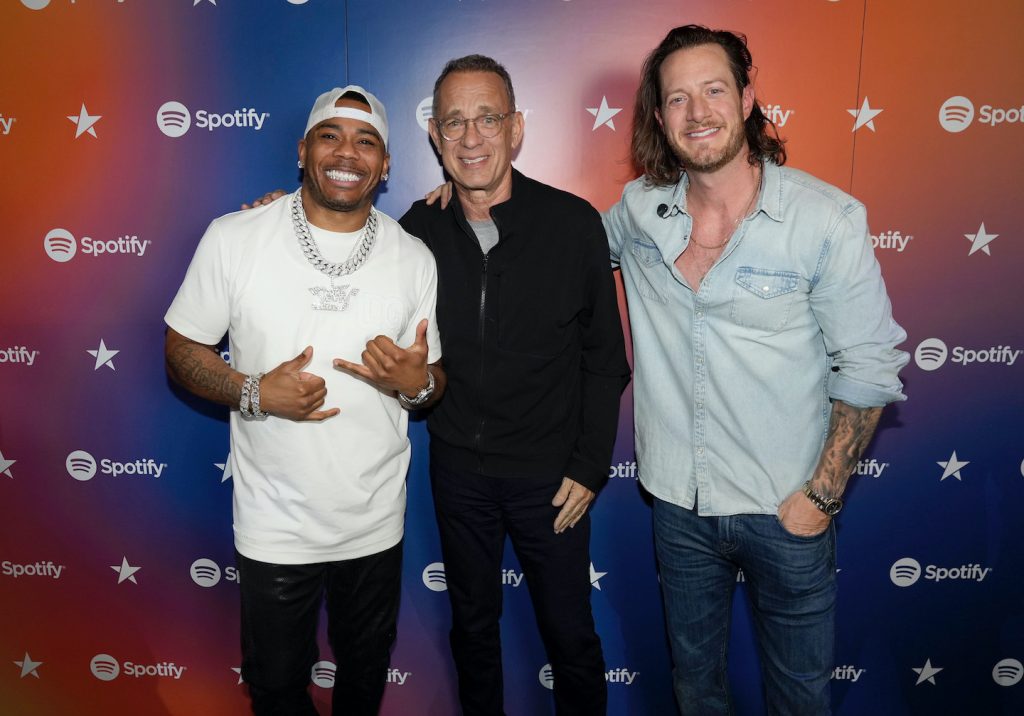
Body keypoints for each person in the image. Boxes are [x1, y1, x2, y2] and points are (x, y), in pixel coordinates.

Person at [602, 25, 909, 714]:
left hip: (787, 510)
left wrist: (821, 500)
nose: (698, 112)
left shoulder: (825, 219)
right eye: (677, 98)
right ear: (659, 117)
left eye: (714, 90)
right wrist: (478, 206)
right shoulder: (638, 211)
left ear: (746, 98)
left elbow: (868, 365)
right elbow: (562, 250)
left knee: (800, 700)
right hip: (678, 508)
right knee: (696, 693)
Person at [164, 85, 444, 716]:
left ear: (387, 165)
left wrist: (415, 383)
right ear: (303, 151)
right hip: (275, 524)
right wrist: (255, 391)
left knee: (364, 680)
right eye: (331, 135)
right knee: (275, 687)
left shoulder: (414, 258)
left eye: (366, 140)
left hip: (373, 521)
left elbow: (433, 381)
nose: (348, 152)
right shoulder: (235, 237)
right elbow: (181, 349)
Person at [400, 55, 630, 715]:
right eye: (454, 122)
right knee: (472, 632)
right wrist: (274, 216)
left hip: (550, 481)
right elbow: (339, 255)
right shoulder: (417, 231)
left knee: (570, 636)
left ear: (517, 128)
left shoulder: (573, 223)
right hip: (459, 475)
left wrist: (588, 466)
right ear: (436, 138)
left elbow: (605, 357)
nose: (471, 138)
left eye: (487, 118)